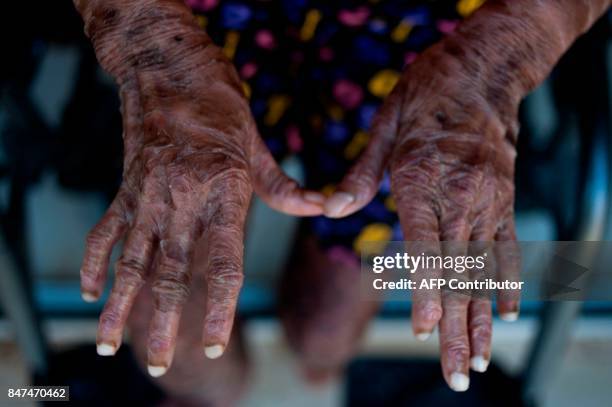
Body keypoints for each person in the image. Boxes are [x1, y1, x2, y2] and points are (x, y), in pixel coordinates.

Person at [72, 0, 610, 403]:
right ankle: (205, 396)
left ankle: (316, 358)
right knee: (168, 332)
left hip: (427, 35)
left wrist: (497, 56)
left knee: (325, 333)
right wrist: (148, 41)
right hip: (195, 18)